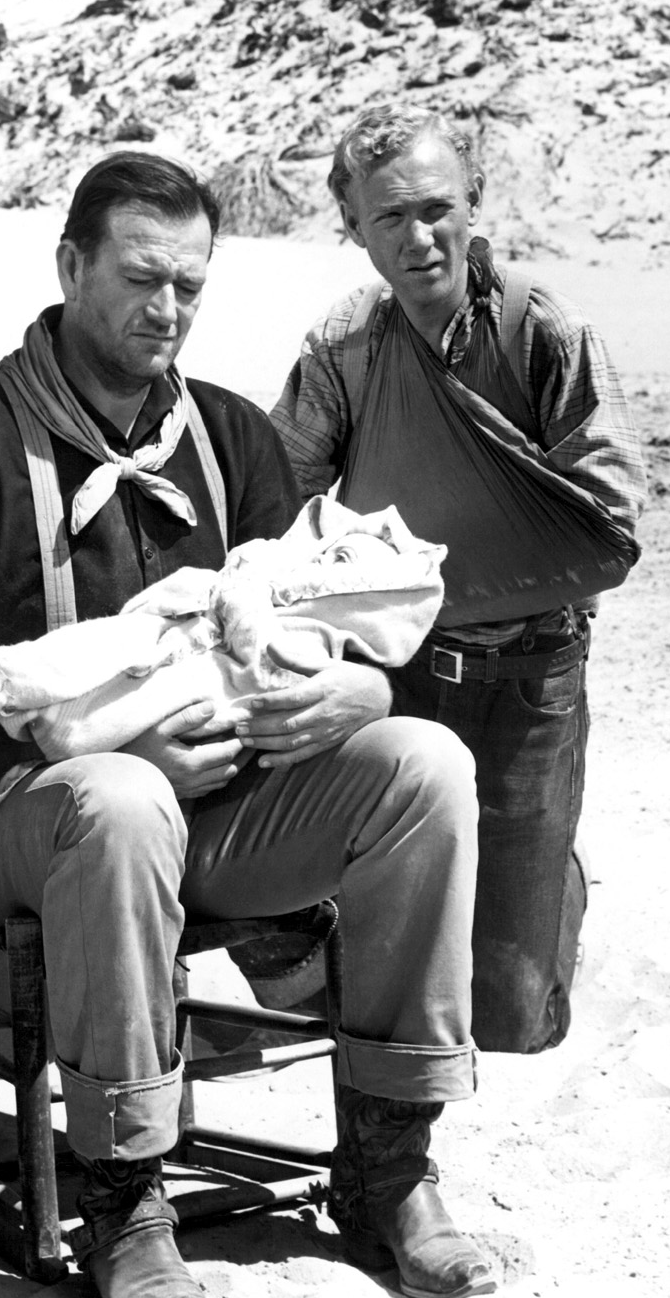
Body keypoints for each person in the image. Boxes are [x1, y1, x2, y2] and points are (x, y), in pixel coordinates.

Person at [0, 152, 498, 1298]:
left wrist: (359, 691)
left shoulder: (229, 437)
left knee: (423, 764)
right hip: (15, 821)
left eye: (190, 287)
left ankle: (389, 1168)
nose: (166, 310)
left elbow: (314, 606)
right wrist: (116, 738)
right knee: (118, 800)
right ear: (70, 267)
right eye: (140, 278)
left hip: (213, 822)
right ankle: (126, 1202)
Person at [271, 105, 647, 1054]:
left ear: (473, 202)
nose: (418, 238)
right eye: (389, 217)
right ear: (352, 228)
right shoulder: (346, 344)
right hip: (399, 679)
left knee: (512, 1021)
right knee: (388, 988)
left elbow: (606, 532)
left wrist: (421, 576)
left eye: (436, 208)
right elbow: (281, 501)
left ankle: (553, 882)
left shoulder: (542, 331)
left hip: (530, 681)